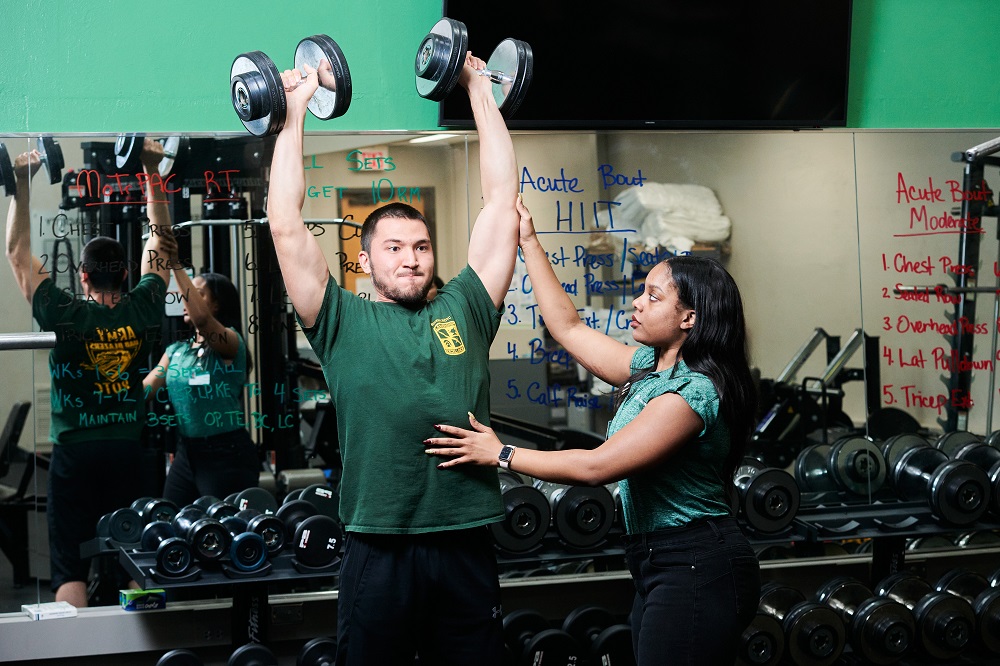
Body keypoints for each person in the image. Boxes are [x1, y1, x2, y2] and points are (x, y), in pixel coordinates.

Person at [426, 199, 762, 665]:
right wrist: (529, 242)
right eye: (642, 292)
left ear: (689, 318)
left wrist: (501, 453)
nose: (637, 303)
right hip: (656, 560)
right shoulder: (650, 368)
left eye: (653, 297)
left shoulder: (693, 393)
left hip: (696, 560)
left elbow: (596, 467)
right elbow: (567, 327)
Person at [267, 52, 519, 665]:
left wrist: (478, 90)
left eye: (422, 246)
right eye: (395, 248)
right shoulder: (340, 320)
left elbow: (501, 201)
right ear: (365, 261)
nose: (411, 258)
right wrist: (294, 112)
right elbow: (285, 222)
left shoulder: (466, 308)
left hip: (465, 539)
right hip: (379, 545)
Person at [5, 141, 176, 607]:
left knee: (70, 567)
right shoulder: (142, 307)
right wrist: (150, 168)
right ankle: (150, 641)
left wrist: (21, 184)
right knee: (136, 559)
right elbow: (162, 242)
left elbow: (17, 253)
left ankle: (75, 642)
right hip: (126, 450)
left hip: (75, 456)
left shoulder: (66, 313)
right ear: (125, 276)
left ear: (83, 276)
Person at [143, 265, 258, 507]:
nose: (186, 299)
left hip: (226, 453)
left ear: (216, 305)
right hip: (187, 452)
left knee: (224, 524)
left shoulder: (230, 342)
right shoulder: (176, 351)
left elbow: (204, 321)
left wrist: (175, 266)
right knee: (170, 518)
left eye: (198, 294)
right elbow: (145, 390)